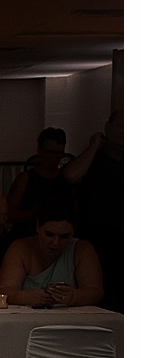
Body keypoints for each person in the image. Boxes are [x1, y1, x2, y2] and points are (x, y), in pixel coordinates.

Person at [0, 198, 104, 308]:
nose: (56, 243)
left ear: (73, 233)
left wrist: (74, 296)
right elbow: (3, 291)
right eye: (49, 234)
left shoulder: (81, 249)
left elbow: (95, 292)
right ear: (38, 227)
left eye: (64, 236)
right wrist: (26, 297)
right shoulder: (20, 248)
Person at [62, 113, 121, 310]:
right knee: (93, 294)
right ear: (107, 127)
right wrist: (94, 145)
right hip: (94, 239)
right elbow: (71, 176)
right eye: (120, 126)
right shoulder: (93, 158)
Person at [5, 128, 68, 233]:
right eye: (49, 152)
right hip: (28, 236)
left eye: (58, 153)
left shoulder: (66, 178)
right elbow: (8, 214)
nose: (53, 157)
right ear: (39, 150)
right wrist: (33, 213)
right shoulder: (25, 179)